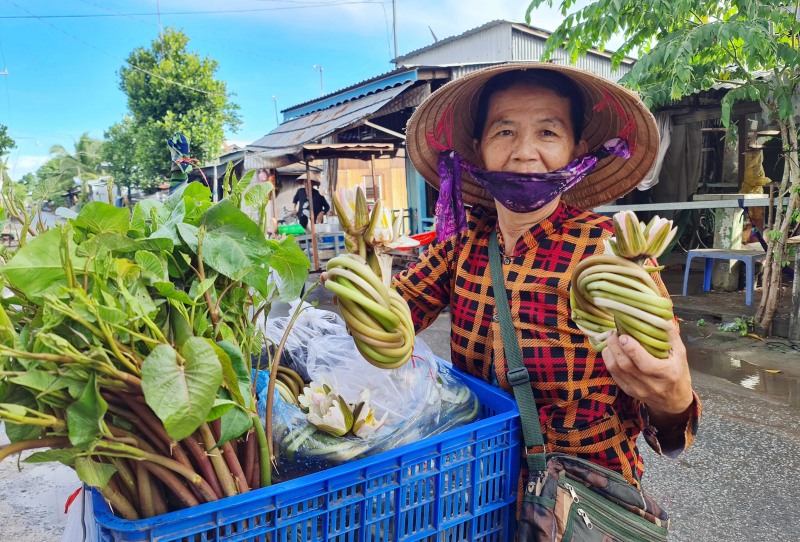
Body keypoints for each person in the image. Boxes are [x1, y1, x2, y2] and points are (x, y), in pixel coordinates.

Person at [323, 63, 699, 535]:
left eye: (548, 132)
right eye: (504, 131)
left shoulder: (613, 253)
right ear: (477, 149)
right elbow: (388, 327)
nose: (524, 153)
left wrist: (673, 396)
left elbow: (665, 409)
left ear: (577, 150)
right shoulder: (459, 244)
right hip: (478, 496)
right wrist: (363, 266)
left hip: (578, 507)